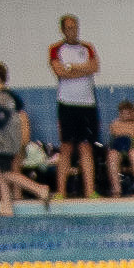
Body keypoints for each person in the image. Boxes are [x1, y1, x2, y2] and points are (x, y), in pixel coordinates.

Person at [0, 62, 52, 214]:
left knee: (5, 172)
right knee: (0, 171)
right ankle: (6, 207)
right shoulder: (10, 94)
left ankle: (39, 189)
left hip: (5, 138)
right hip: (11, 137)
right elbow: (18, 107)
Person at [47, 15, 100, 200]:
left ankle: (90, 190)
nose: (72, 30)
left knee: (86, 148)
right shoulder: (56, 49)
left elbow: (94, 67)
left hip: (87, 105)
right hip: (67, 105)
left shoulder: (87, 48)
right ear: (62, 30)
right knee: (66, 148)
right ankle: (61, 191)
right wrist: (80, 69)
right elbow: (60, 72)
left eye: (74, 27)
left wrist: (71, 68)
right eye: (68, 28)